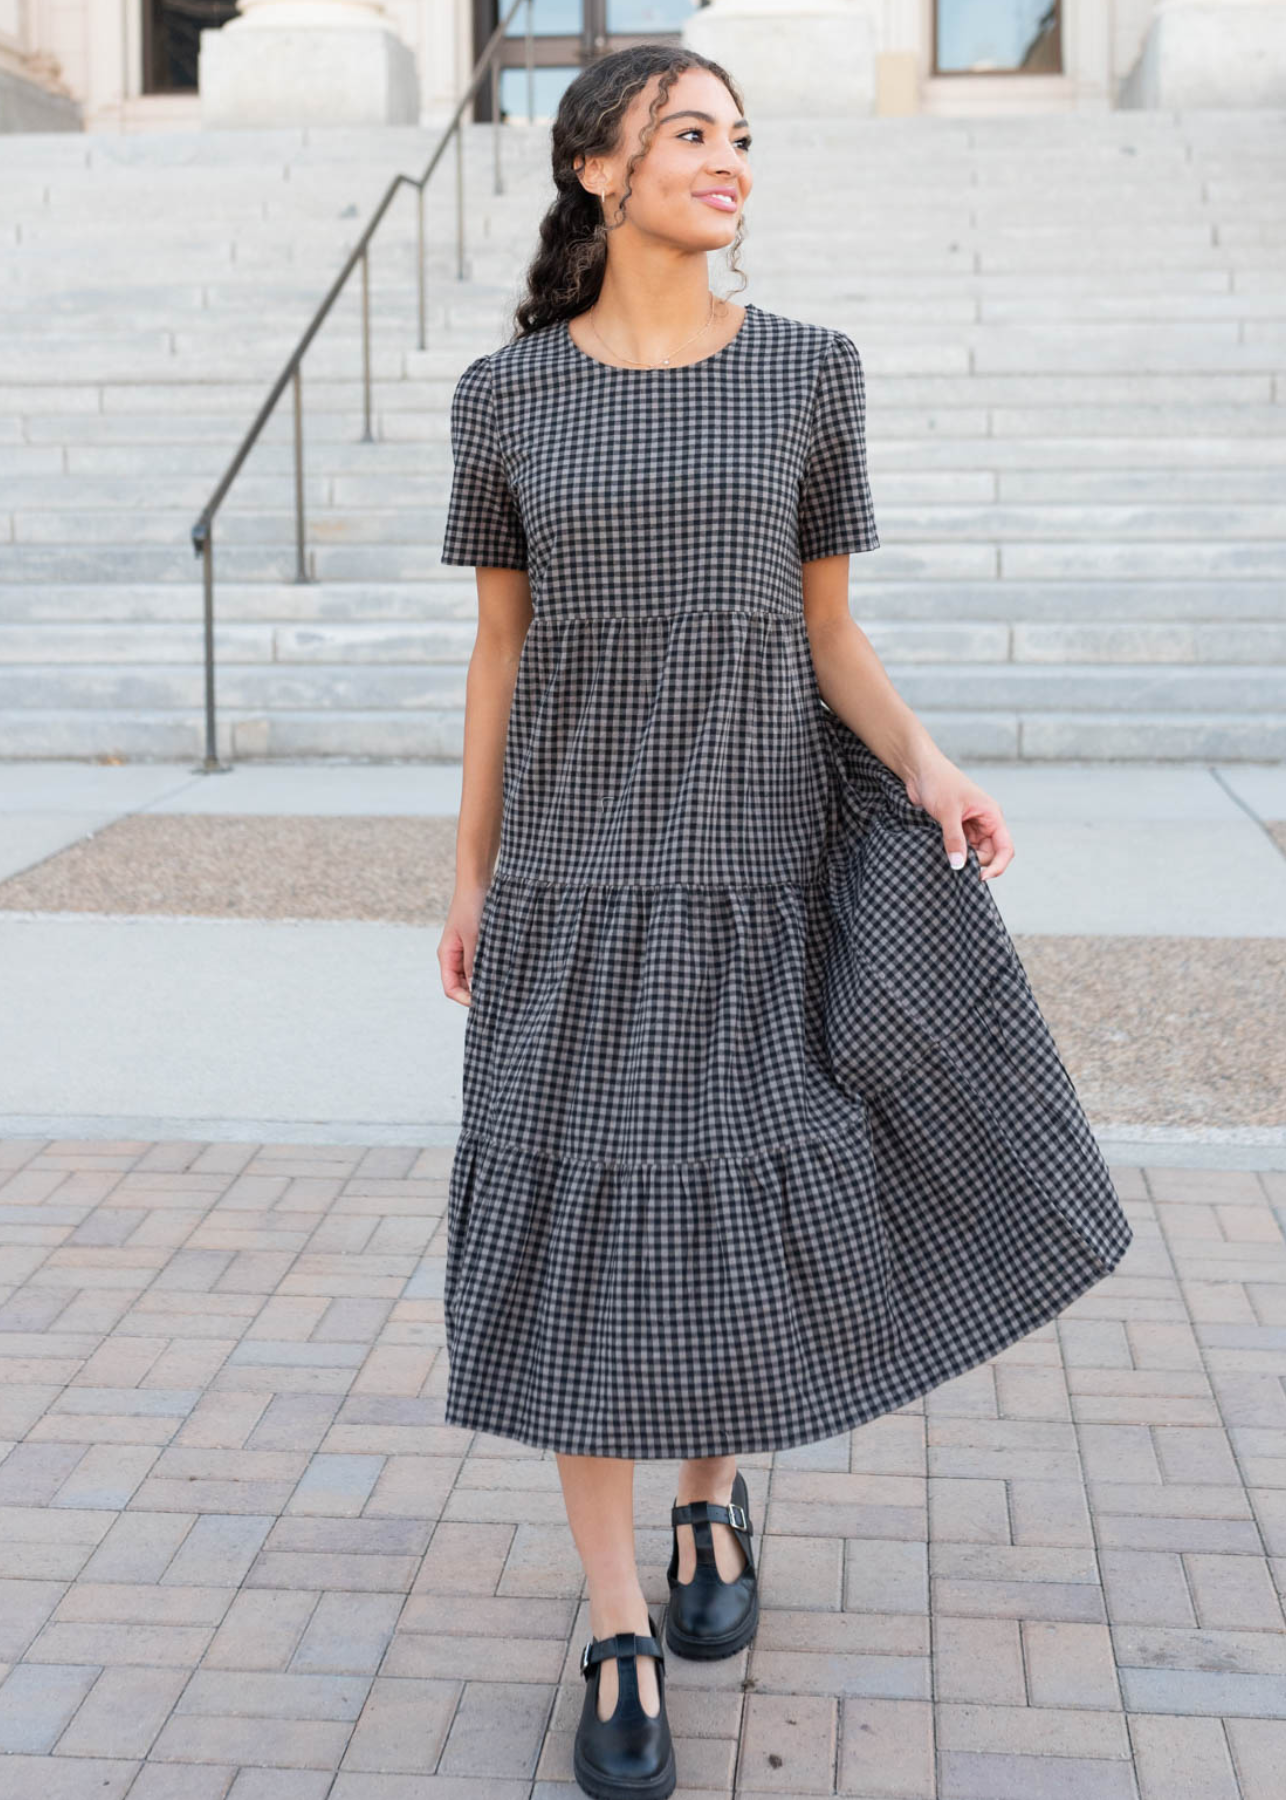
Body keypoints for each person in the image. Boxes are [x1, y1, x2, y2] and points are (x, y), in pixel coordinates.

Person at [436, 44, 1133, 1800]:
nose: (728, 162)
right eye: (690, 135)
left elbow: (828, 636)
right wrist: (466, 877)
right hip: (580, 887)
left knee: (738, 1205)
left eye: (741, 138)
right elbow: (502, 654)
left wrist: (929, 763)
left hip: (763, 867)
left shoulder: (810, 376)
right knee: (587, 1233)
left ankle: (706, 1507)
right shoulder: (504, 399)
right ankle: (613, 1623)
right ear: (597, 170)